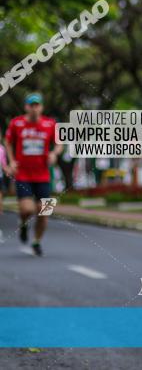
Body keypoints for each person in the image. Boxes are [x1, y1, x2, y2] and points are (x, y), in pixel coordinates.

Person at [4, 93, 62, 256]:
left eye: (37, 105)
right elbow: (7, 142)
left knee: (45, 211)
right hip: (23, 174)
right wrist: (11, 161)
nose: (34, 108)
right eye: (31, 105)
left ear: (41, 107)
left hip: (44, 175)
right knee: (27, 209)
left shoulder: (50, 124)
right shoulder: (17, 123)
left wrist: (54, 153)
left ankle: (36, 241)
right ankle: (23, 223)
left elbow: (59, 143)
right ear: (26, 107)